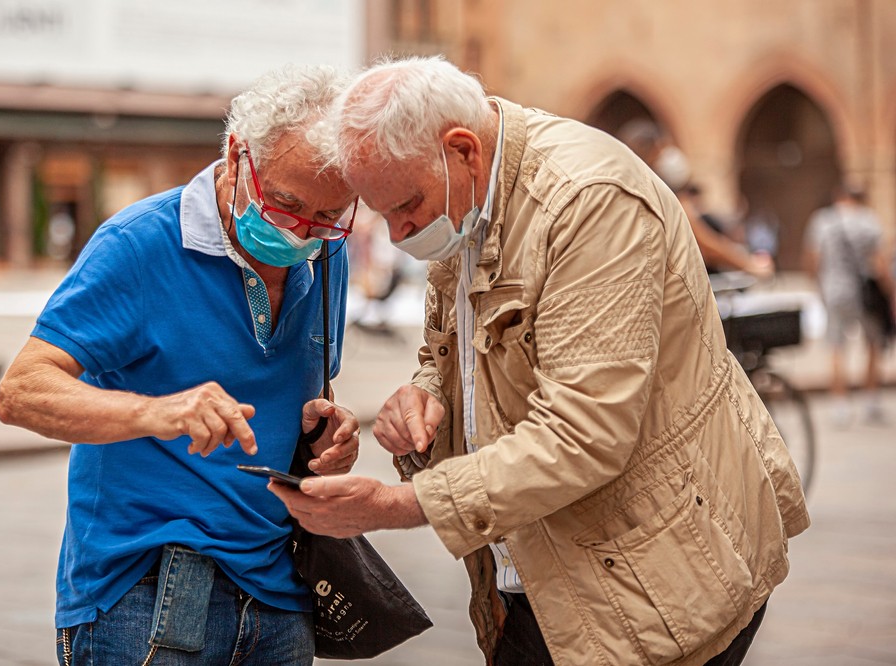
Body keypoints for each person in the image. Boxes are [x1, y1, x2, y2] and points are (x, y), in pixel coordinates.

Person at [270, 56, 809, 666]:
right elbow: (452, 352)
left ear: (463, 150)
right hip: (544, 572)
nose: (397, 234)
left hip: (656, 580)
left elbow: (586, 432)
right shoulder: (461, 205)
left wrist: (398, 507)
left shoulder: (588, 202)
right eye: (383, 213)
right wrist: (425, 398)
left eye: (407, 205)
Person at [0, 65, 361, 665]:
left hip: (281, 588)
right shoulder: (138, 244)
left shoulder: (327, 255)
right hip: (145, 593)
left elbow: (294, 401)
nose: (301, 234)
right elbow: (21, 391)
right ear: (238, 156)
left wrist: (328, 438)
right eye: (286, 205)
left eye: (327, 217)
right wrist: (158, 411)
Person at [616, 119, 775, 279]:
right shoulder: (660, 191)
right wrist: (750, 265)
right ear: (652, 149)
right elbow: (704, 242)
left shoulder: (622, 189)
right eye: (661, 149)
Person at [803, 182, 893, 425]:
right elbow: (880, 262)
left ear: (838, 196)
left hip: (834, 290)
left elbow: (813, 257)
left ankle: (839, 403)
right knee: (873, 343)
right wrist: (890, 293)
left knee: (836, 346)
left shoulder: (822, 220)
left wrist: (817, 284)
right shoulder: (869, 220)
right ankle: (871, 398)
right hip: (867, 294)